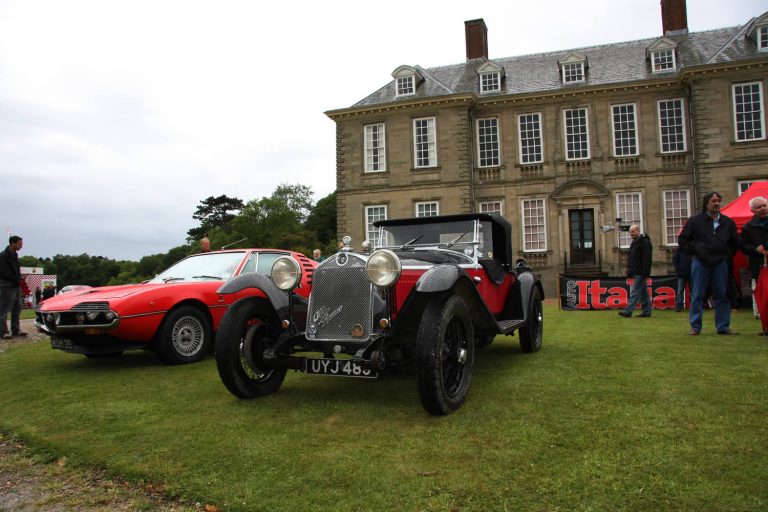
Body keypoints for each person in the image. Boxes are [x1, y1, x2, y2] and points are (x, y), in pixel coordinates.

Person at [678, 191, 739, 335]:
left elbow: (734, 242)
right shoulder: (694, 221)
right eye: (713, 201)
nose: (717, 203)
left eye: (718, 200)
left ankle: (723, 326)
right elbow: (683, 240)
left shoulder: (728, 222)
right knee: (697, 294)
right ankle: (695, 326)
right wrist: (694, 251)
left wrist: (726, 254)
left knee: (722, 294)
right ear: (706, 204)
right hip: (700, 261)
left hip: (720, 262)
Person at [738, 195, 768, 331]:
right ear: (753, 211)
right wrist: (755, 249)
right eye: (759, 207)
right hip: (759, 266)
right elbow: (743, 246)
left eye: (764, 206)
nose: (763, 209)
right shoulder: (748, 227)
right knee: (763, 295)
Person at [618, 225, 653, 318]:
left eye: (632, 232)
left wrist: (646, 272)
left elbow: (647, 258)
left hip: (641, 271)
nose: (631, 234)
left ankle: (628, 311)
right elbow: (632, 258)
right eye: (630, 232)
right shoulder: (636, 242)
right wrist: (630, 271)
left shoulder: (644, 242)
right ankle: (646, 311)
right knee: (643, 293)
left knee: (635, 291)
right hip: (636, 270)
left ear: (638, 231)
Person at [0, 235, 27, 339]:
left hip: (16, 285)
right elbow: (2, 271)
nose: (21, 246)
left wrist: (19, 278)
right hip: (7, 285)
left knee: (17, 307)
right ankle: (3, 331)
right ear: (13, 243)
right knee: (4, 309)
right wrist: (13, 279)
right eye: (19, 244)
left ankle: (15, 329)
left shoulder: (15, 255)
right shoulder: (3, 256)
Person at [672, 243, 691, 312]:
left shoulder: (692, 248)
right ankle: (679, 306)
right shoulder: (679, 249)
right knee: (680, 291)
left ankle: (694, 306)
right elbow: (674, 260)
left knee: (693, 291)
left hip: (691, 273)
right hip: (681, 274)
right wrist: (678, 270)